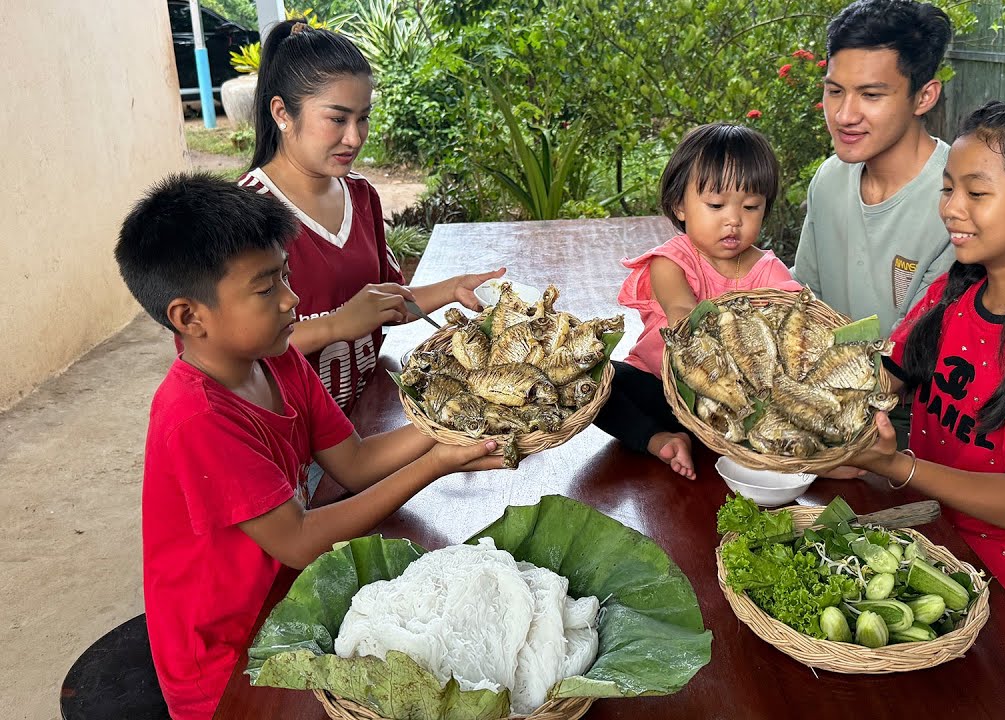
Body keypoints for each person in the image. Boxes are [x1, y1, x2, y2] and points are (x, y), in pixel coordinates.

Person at [115, 172, 505, 720]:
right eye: (265, 287)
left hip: (293, 600)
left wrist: (453, 422)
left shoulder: (277, 360)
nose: (291, 300)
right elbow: (298, 541)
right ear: (189, 317)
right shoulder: (196, 418)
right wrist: (437, 464)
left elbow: (357, 462)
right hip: (230, 664)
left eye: (286, 277)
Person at [832, 101, 1005, 632]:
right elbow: (885, 373)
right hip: (925, 539)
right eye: (947, 189)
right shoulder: (957, 290)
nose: (951, 208)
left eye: (977, 193)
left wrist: (898, 466)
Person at [241, 20, 503, 416]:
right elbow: (233, 348)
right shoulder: (244, 215)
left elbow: (386, 302)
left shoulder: (360, 195)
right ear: (281, 112)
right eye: (337, 118)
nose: (355, 137)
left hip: (362, 421)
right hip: (286, 436)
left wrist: (454, 289)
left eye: (363, 118)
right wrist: (338, 323)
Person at [598, 123, 802, 479]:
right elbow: (682, 315)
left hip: (732, 403)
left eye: (751, 206)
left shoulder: (768, 271)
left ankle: (736, 444)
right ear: (680, 206)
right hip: (661, 388)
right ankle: (657, 439)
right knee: (596, 380)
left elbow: (796, 326)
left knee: (789, 411)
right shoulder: (671, 260)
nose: (734, 220)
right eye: (716, 205)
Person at [793, 0, 956, 443]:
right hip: (818, 411)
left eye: (871, 95)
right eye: (834, 90)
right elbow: (806, 304)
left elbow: (920, 356)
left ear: (924, 96)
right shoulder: (829, 179)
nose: (845, 115)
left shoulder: (958, 201)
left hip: (914, 432)